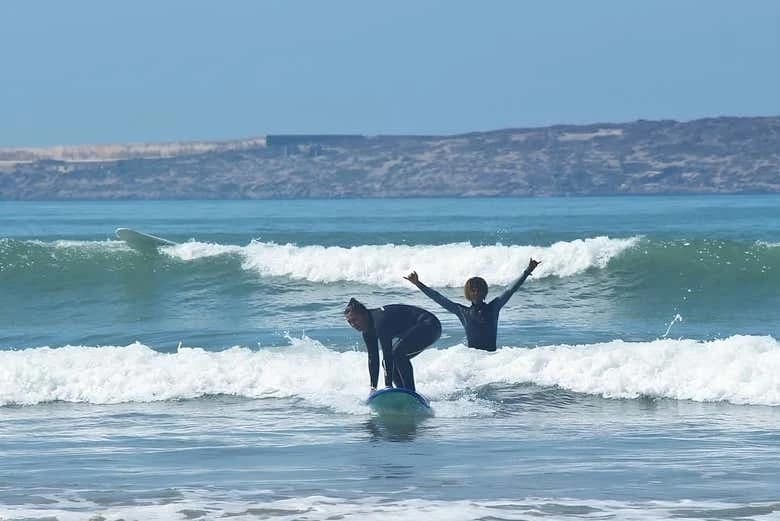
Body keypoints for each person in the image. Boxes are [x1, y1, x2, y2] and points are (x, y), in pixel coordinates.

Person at [404, 258, 540, 352]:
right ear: (468, 292)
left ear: (484, 291)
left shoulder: (494, 307)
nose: (476, 291)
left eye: (479, 289)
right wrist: (418, 284)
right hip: (472, 359)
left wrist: (527, 272)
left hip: (492, 358)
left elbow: (510, 290)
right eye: (473, 289)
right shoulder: (462, 311)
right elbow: (439, 298)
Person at [344, 298, 441, 393]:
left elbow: (387, 354)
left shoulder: (379, 321)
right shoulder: (367, 331)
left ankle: (410, 392)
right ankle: (402, 392)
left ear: (364, 314)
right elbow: (373, 359)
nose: (353, 324)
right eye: (350, 322)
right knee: (394, 357)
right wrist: (373, 388)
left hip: (430, 325)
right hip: (420, 327)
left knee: (397, 353)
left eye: (355, 320)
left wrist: (388, 385)